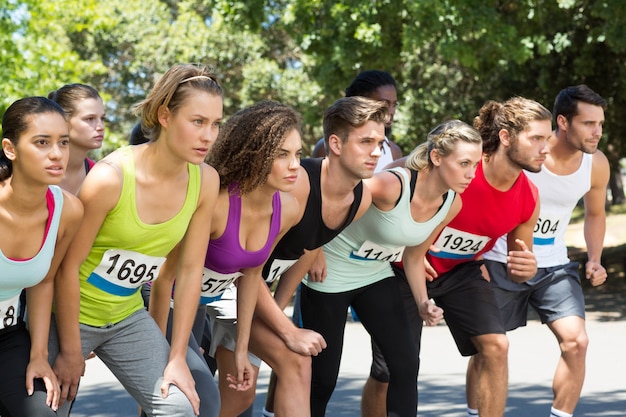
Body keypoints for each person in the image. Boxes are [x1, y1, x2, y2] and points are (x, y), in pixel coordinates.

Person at [48, 63, 223, 417]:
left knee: (182, 406)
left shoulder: (206, 181)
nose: (209, 135)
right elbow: (67, 269)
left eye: (216, 124)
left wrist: (176, 357)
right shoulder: (110, 178)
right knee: (46, 409)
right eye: (198, 121)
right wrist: (69, 349)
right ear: (165, 116)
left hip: (126, 317)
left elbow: (188, 273)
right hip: (65, 316)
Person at [364, 96, 553, 417]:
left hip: (460, 273)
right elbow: (394, 180)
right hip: (400, 270)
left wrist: (527, 267)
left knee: (496, 346)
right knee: (390, 370)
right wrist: (406, 246)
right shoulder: (462, 166)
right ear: (506, 137)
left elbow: (520, 265)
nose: (545, 149)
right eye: (536, 138)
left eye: (547, 139)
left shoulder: (529, 197)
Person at [300, 120, 483, 417]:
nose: (471, 174)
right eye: (464, 163)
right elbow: (331, 189)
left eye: (475, 164)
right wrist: (316, 246)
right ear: (437, 157)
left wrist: (424, 302)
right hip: (330, 275)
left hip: (375, 276)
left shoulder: (451, 203)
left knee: (406, 365)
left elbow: (414, 255)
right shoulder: (390, 185)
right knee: (323, 378)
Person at [240, 95, 388, 417]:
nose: (376, 151)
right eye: (366, 142)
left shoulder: (360, 199)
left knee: (281, 370)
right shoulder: (296, 189)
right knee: (197, 387)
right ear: (335, 143)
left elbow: (308, 250)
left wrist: (277, 311)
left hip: (253, 292)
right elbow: (246, 270)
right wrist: (285, 328)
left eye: (380, 142)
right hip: (220, 284)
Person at [479, 85, 609, 417]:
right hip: (501, 260)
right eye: (588, 123)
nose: (597, 132)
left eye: (600, 124)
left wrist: (594, 258)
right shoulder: (527, 154)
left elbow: (595, 213)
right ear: (563, 122)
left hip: (553, 265)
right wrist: (474, 257)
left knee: (576, 342)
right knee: (489, 351)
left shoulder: (596, 165)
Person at [0, 97, 83, 416]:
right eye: (42, 142)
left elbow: (44, 281)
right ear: (10, 148)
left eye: (63, 142)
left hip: (9, 338)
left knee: (43, 411)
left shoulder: (68, 211)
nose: (57, 154)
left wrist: (38, 354)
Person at [311, 69, 402, 168]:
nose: (391, 111)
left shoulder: (394, 152)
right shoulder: (327, 147)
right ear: (360, 101)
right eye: (384, 103)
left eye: (394, 104)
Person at [48, 84, 106, 195]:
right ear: (63, 121)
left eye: (103, 118)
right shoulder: (36, 170)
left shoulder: (98, 174)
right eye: (90, 119)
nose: (100, 127)